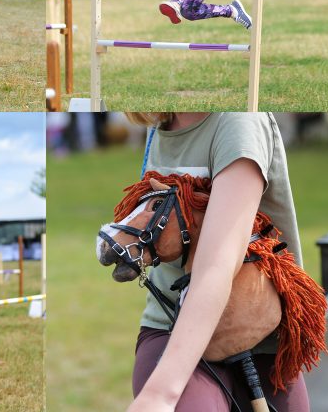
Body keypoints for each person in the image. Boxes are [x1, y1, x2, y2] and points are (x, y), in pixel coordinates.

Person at [120, 113, 313, 412]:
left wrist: (161, 395)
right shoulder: (160, 122)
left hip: (259, 332)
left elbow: (217, 265)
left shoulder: (238, 120)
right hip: (173, 327)